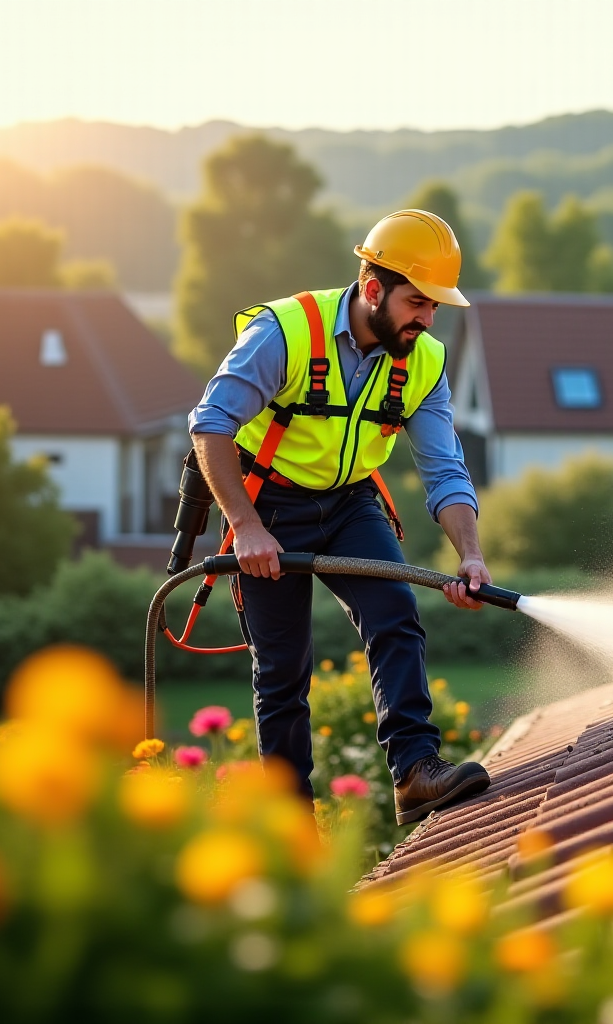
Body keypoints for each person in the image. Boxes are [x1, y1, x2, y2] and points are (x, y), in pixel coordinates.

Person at [187, 209, 492, 824]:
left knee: (396, 616)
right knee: (282, 672)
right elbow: (209, 424)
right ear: (373, 289)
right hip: (265, 503)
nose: (428, 321)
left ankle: (414, 772)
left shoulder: (424, 362)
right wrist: (246, 526)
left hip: (352, 503)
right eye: (418, 303)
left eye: (436, 308)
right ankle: (292, 825)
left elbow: (444, 469)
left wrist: (471, 554)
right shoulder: (286, 333)